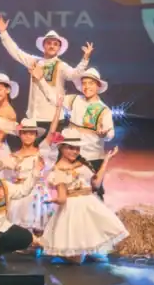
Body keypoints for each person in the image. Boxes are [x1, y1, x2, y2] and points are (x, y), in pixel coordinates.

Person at [0, 14, 93, 134]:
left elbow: (75, 75)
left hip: (54, 118)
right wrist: (4, 33)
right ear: (43, 46)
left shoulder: (61, 65)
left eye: (55, 44)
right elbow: (16, 52)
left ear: (59, 48)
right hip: (34, 117)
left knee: (52, 152)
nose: (52, 46)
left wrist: (85, 59)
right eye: (49, 43)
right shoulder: (35, 62)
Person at [42, 129, 127, 263]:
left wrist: (106, 160)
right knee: (76, 260)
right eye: (70, 148)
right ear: (61, 148)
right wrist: (53, 200)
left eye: (77, 148)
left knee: (92, 245)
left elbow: (96, 184)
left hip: (90, 204)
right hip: (73, 209)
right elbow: (63, 198)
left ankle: (78, 252)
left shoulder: (82, 163)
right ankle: (56, 252)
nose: (74, 152)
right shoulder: (58, 171)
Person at [38, 68, 114, 200]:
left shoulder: (103, 109)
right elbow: (54, 98)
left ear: (98, 86)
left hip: (92, 156)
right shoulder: (75, 100)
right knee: (69, 190)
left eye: (91, 83)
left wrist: (104, 135)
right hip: (73, 153)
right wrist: (40, 80)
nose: (86, 86)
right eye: (84, 83)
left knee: (94, 191)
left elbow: (111, 133)